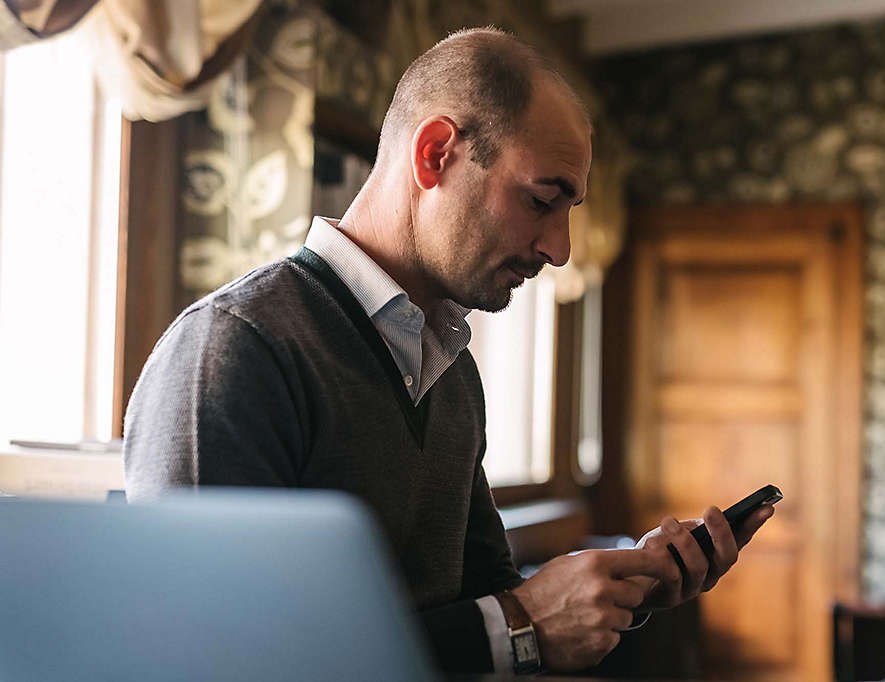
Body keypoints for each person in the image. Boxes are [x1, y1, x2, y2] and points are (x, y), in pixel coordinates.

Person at [124, 27, 774, 674]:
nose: (560, 249)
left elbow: (491, 597)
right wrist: (518, 626)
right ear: (435, 153)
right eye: (543, 200)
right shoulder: (236, 349)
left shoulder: (452, 372)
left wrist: (621, 589)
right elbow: (212, 657)